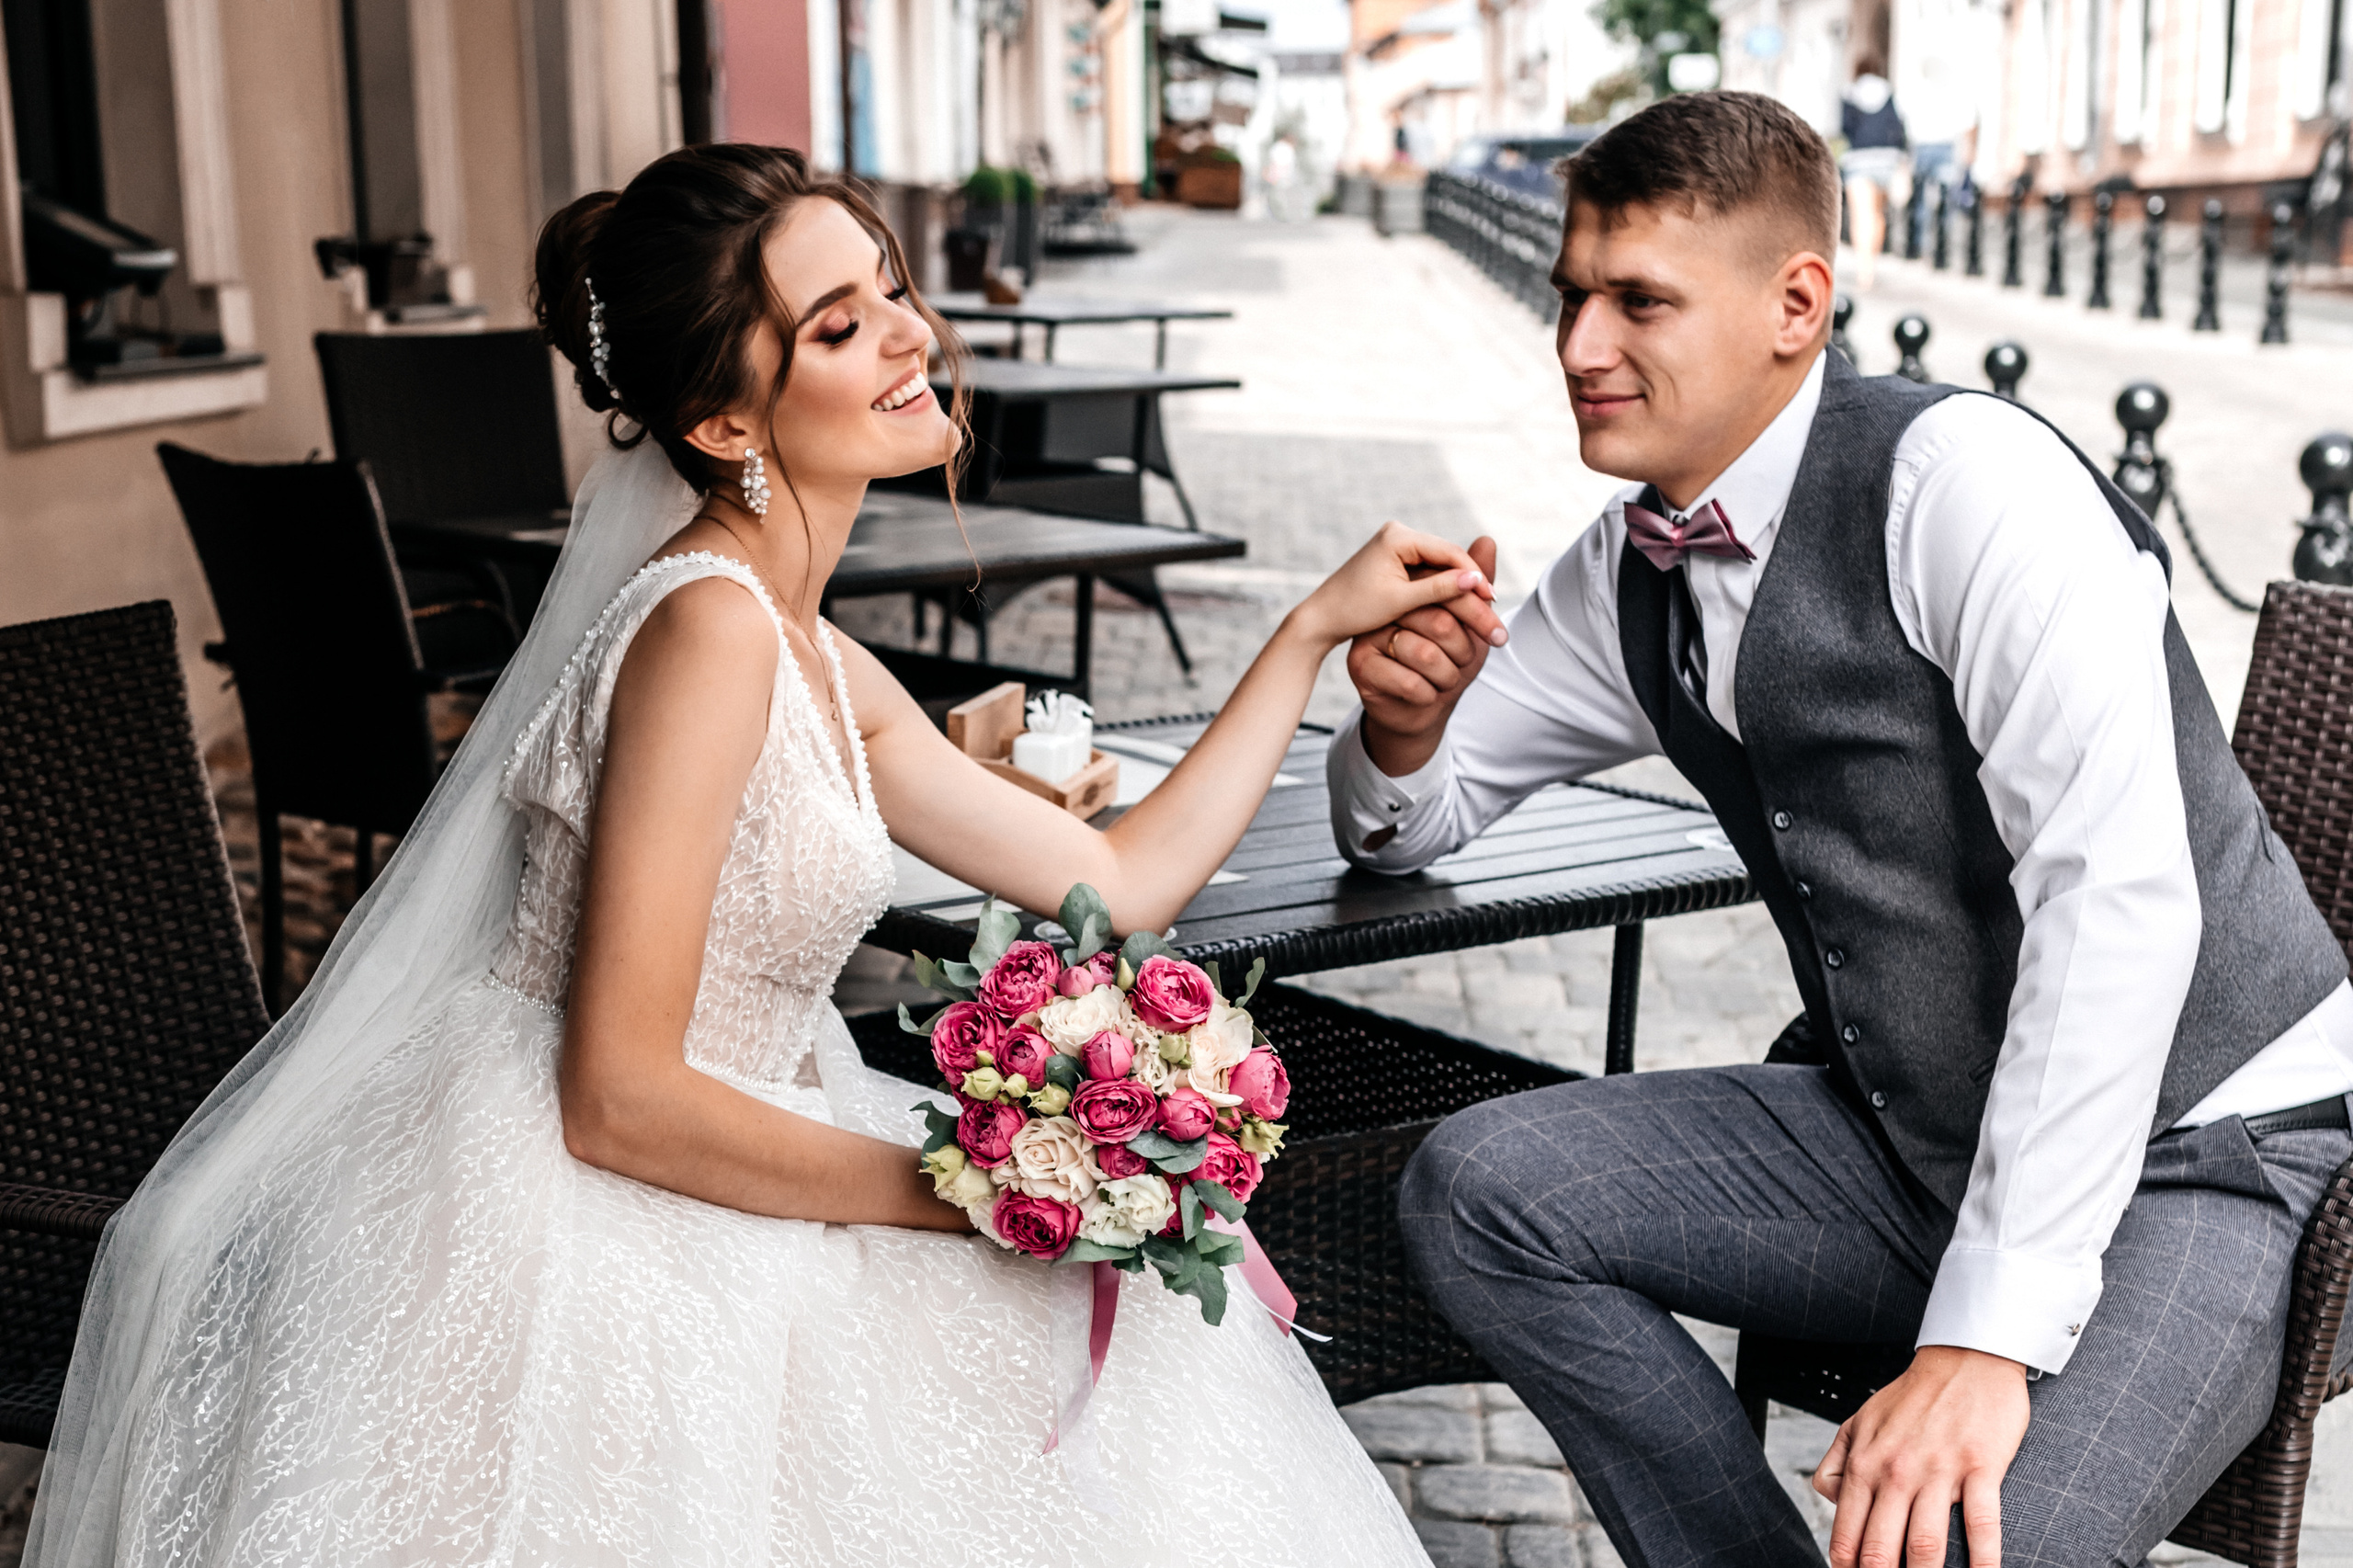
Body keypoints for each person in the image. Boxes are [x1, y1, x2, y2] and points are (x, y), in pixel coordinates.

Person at [26, 143, 1502, 1567]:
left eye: (892, 288)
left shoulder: (808, 650)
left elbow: (1112, 881)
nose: (912, 336)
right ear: (729, 426)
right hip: (596, 1208)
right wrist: (977, 1180)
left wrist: (1308, 632)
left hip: (768, 1131)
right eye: (841, 325)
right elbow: (615, 1097)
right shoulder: (708, 633)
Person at [1329, 92, 2353, 1566]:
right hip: (1911, 1139)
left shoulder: (1969, 490)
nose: (1578, 347)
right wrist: (1401, 733)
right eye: (1572, 295)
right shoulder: (1637, 566)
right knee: (1483, 1192)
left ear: (1796, 302)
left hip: (2202, 1150)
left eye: (1639, 302)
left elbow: (2118, 903)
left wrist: (1982, 1347)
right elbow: (1408, 825)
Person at [1839, 55, 1906, 288]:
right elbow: (1898, 126)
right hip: (1886, 159)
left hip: (1859, 160)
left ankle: (1863, 268)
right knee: (1877, 215)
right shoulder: (1888, 93)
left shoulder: (1849, 94)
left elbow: (1845, 127)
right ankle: (1873, 261)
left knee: (1861, 216)